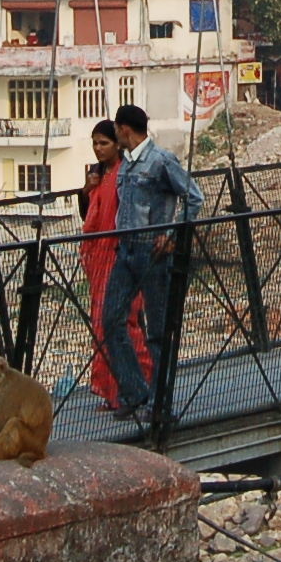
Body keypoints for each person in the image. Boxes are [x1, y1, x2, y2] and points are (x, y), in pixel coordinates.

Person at [99, 102, 205, 419]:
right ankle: (135, 391)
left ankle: (161, 402)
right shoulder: (127, 164)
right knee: (111, 319)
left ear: (123, 129)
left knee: (158, 330)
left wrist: (171, 233)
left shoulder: (160, 161)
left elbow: (194, 197)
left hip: (151, 251)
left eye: (115, 128)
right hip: (126, 249)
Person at [79, 121, 148, 406]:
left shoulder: (126, 175)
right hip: (99, 258)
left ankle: (139, 383)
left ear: (117, 144)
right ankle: (114, 392)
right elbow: (89, 214)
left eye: (104, 143)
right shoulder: (98, 175)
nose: (98, 149)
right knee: (102, 325)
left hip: (120, 258)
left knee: (121, 321)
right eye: (95, 143)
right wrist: (86, 189)